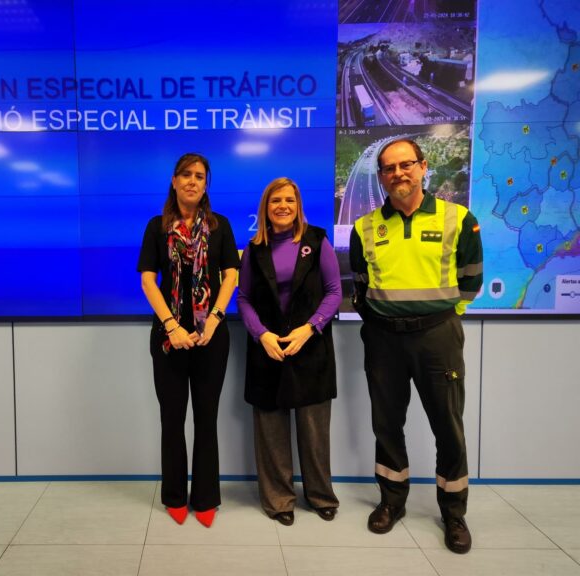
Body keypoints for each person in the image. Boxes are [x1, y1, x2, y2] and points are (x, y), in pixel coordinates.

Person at [349, 139, 483, 554]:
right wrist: (383, 320)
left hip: (437, 336)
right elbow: (360, 285)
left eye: (406, 165)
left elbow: (472, 280)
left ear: (423, 167)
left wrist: (441, 315)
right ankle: (392, 502)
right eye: (389, 168)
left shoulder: (458, 218)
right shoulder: (365, 227)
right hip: (383, 338)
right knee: (386, 424)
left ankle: (454, 512)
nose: (398, 174)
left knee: (448, 424)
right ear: (381, 176)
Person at [138, 152, 239, 528]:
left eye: (200, 176)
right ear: (174, 181)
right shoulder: (157, 227)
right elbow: (148, 280)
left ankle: (207, 498)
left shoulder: (220, 226)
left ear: (206, 184)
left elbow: (231, 275)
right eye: (186, 175)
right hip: (169, 339)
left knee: (207, 420)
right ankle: (175, 496)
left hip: (211, 336)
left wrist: (214, 319)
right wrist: (171, 325)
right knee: (172, 419)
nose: (193, 181)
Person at [237, 177, 341, 526]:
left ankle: (321, 496)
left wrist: (310, 327)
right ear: (265, 208)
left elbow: (334, 292)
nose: (283, 206)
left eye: (289, 200)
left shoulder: (317, 240)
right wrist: (262, 335)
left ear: (298, 206)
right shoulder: (254, 249)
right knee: (271, 431)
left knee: (314, 433)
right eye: (275, 200)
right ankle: (278, 500)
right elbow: (244, 299)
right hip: (267, 350)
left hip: (310, 347)